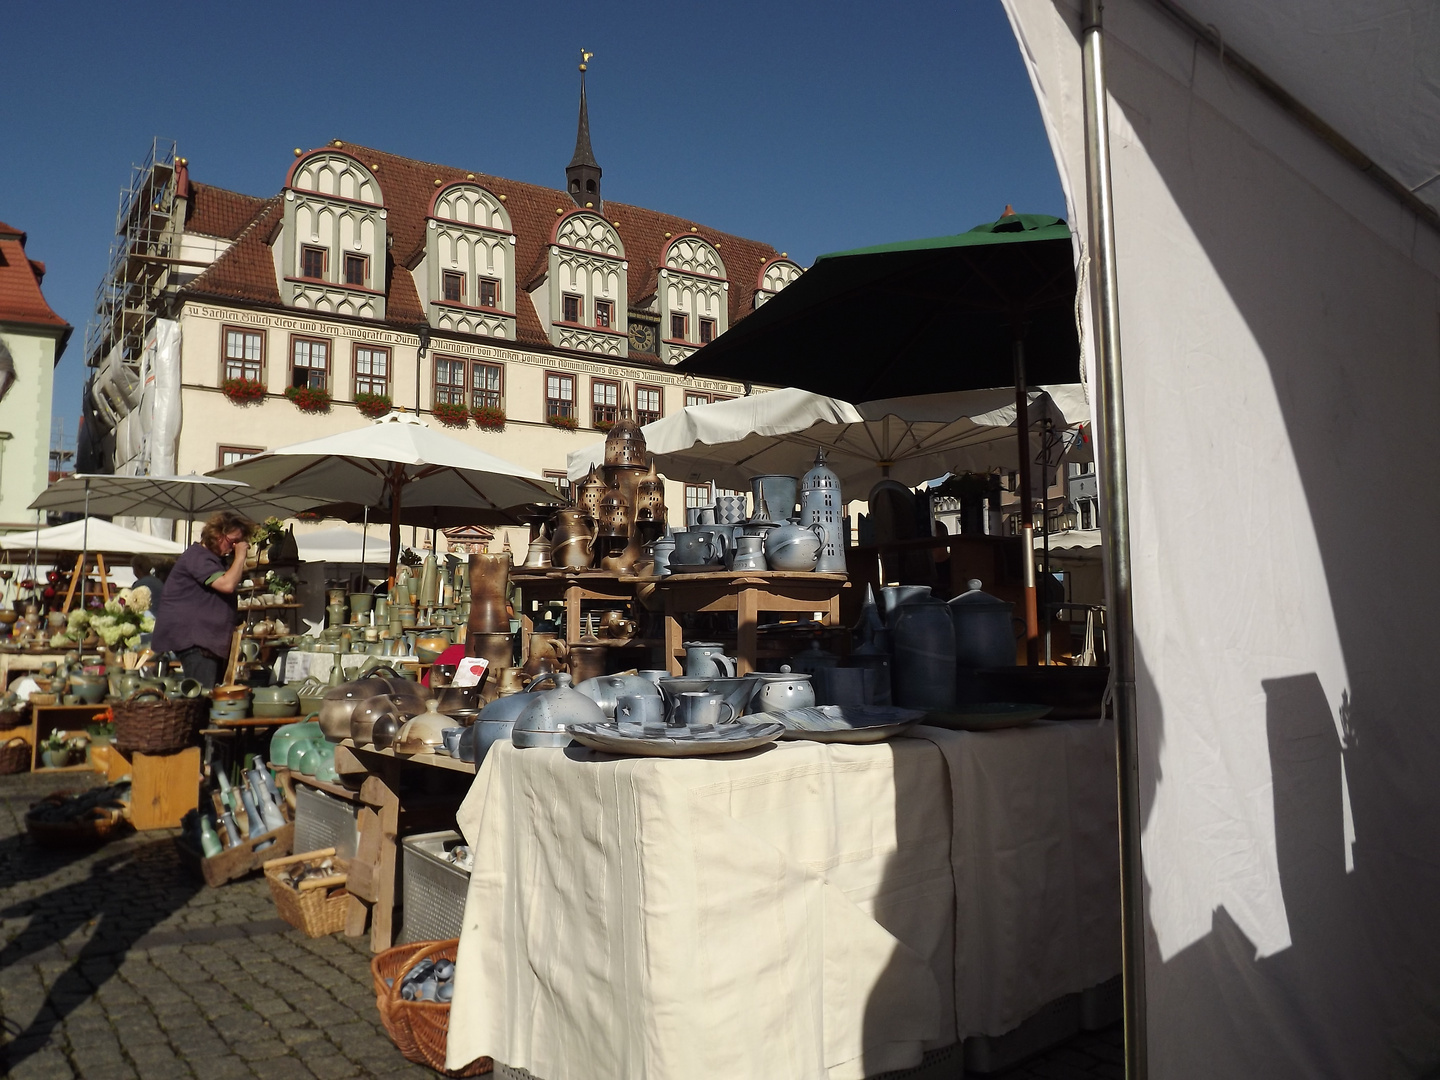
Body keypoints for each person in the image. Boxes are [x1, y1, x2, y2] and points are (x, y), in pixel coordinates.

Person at [150, 511, 253, 687]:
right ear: (218, 534)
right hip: (196, 642)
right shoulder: (197, 557)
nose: (235, 546)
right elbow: (226, 584)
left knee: (209, 695)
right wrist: (241, 557)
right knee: (201, 696)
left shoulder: (212, 560)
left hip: (206, 642)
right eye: (232, 541)